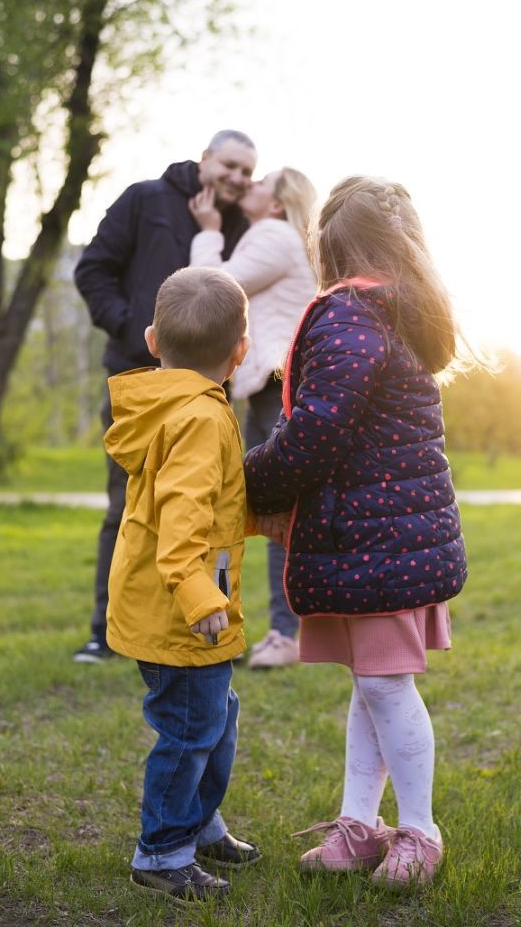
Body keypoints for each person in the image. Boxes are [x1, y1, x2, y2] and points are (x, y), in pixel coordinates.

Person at [244, 176, 469, 888]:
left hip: (379, 542)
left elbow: (314, 431)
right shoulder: (394, 314)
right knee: (372, 687)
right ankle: (359, 825)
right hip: (379, 539)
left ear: (333, 249)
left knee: (386, 688)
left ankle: (420, 832)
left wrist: (248, 480)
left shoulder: (348, 314)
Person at [104, 265, 260, 902]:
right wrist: (199, 596)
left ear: (151, 339)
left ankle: (199, 822)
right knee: (192, 730)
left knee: (215, 719)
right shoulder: (197, 417)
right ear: (241, 352)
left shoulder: (176, 406)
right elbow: (183, 519)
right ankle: (163, 852)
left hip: (171, 601)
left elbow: (210, 501)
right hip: (182, 610)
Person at [73, 130, 257, 662]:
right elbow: (92, 270)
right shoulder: (145, 198)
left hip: (208, 389)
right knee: (129, 506)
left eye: (247, 171)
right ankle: (106, 630)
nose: (237, 178)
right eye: (229, 165)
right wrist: (134, 329)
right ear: (205, 160)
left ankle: (210, 622)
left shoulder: (238, 223)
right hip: (142, 382)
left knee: (204, 504)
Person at [189, 167, 317, 668]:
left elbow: (211, 288)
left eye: (261, 181)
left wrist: (208, 231)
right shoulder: (285, 237)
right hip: (276, 383)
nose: (251, 186)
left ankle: (286, 636)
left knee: (271, 511)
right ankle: (294, 631)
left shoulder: (272, 233)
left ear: (278, 203)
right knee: (281, 511)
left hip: (273, 384)